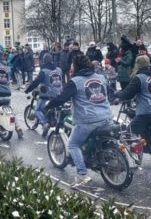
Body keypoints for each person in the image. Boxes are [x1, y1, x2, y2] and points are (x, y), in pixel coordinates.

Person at [45, 55, 113, 185]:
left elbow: (61, 98)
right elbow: (110, 93)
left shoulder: (75, 81)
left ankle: (82, 174)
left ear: (76, 66)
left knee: (73, 144)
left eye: (72, 65)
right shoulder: (101, 77)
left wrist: (48, 106)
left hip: (88, 120)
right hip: (107, 117)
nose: (71, 68)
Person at [115, 56, 151, 144]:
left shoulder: (139, 78)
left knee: (130, 130)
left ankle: (144, 146)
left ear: (137, 65)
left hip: (149, 111)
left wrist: (118, 94)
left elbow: (127, 94)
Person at [25, 53, 62, 135]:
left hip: (48, 94)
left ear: (43, 61)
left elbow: (36, 82)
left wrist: (28, 89)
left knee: (37, 109)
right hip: (59, 94)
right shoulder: (59, 70)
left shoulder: (44, 71)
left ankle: (45, 123)